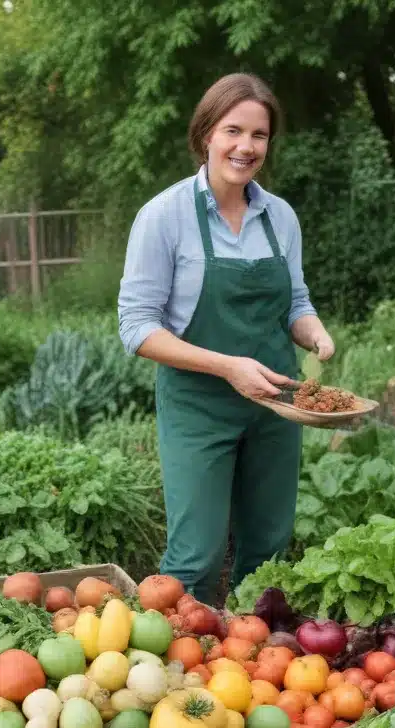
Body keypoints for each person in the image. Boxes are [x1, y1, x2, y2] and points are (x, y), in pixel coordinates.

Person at [118, 72, 336, 604]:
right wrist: (227, 366)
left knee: (267, 549)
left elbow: (296, 302)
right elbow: (137, 327)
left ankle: (251, 657)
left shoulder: (279, 216)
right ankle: (170, 671)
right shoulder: (164, 216)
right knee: (196, 555)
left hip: (277, 405)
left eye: (259, 135)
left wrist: (316, 334)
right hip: (199, 405)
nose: (246, 147)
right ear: (206, 135)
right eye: (233, 131)